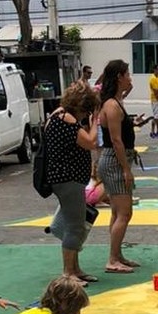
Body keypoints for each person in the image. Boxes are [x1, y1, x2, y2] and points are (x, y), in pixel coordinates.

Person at [44, 81, 101, 284]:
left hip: (65, 178)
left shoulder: (56, 115)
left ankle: (75, 269)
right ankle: (68, 273)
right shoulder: (66, 118)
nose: (86, 116)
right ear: (81, 106)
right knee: (75, 226)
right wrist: (95, 122)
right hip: (68, 179)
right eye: (86, 111)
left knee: (75, 222)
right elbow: (90, 142)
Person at [97, 59, 139, 273]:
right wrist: (126, 169)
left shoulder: (116, 99)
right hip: (114, 160)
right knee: (124, 213)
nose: (130, 78)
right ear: (118, 77)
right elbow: (116, 140)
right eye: (127, 74)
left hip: (116, 160)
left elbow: (127, 88)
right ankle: (112, 259)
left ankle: (117, 253)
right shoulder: (112, 105)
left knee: (116, 212)